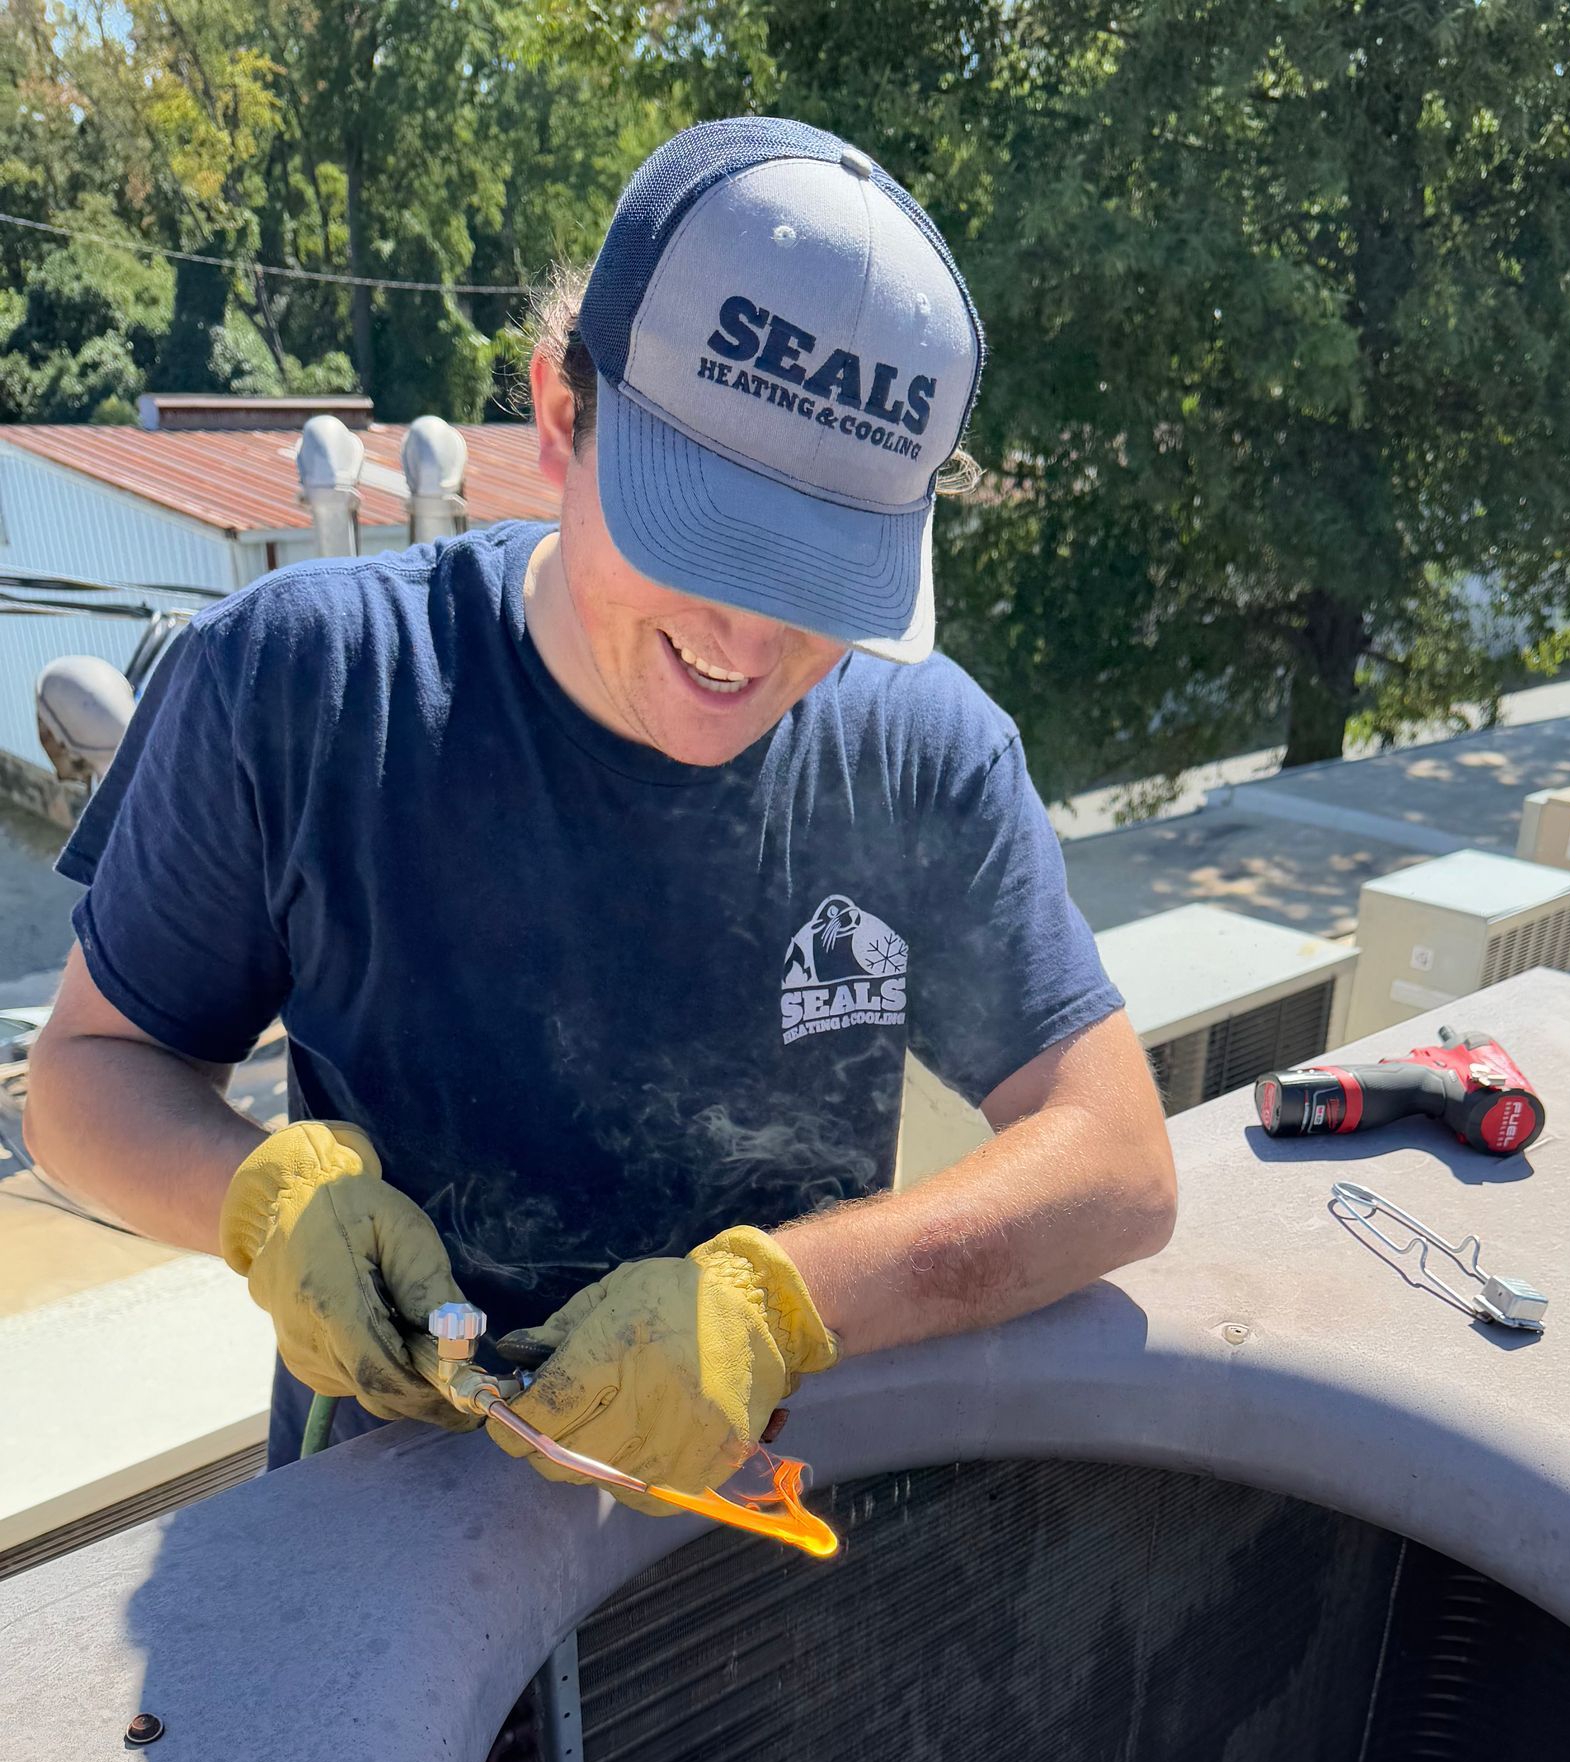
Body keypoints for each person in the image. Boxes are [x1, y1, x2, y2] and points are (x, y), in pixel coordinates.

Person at [25, 117, 1175, 1508]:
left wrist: (780, 1303)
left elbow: (1115, 1159)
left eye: (820, 578)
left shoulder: (923, 752)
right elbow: (89, 1075)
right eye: (703, 537)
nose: (748, 642)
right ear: (562, 422)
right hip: (393, 1510)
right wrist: (261, 1201)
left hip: (748, 1510)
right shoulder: (304, 686)